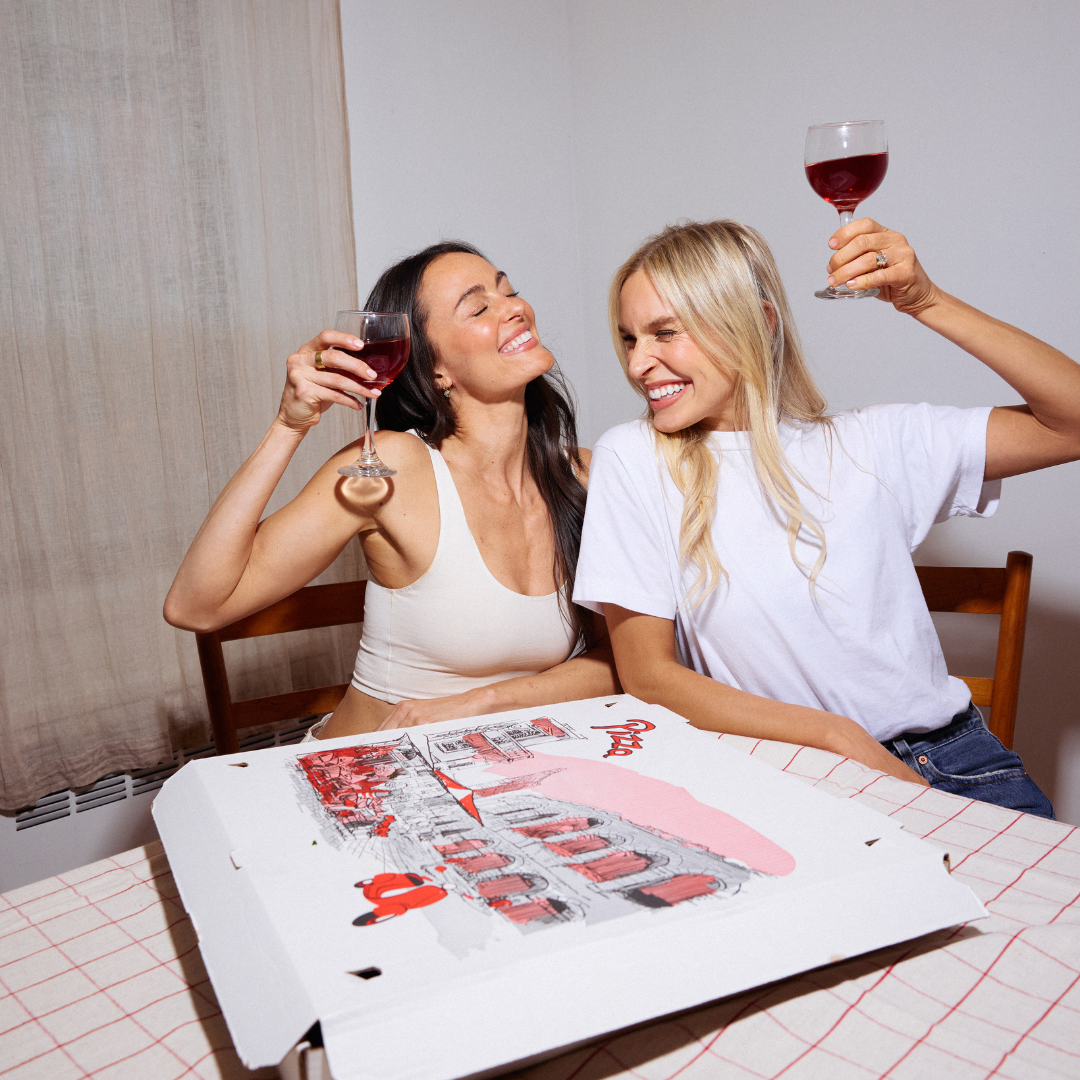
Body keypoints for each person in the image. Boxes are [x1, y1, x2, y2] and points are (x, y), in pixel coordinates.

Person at [573, 218, 1080, 817]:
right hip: (797, 771)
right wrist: (839, 737)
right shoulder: (633, 459)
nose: (638, 364)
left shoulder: (869, 443)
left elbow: (1069, 422)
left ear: (757, 324)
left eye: (665, 333)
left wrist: (926, 301)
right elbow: (650, 676)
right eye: (630, 339)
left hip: (960, 764)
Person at [164, 242, 617, 736]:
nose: (515, 308)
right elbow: (196, 606)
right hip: (369, 773)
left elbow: (620, 660)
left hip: (492, 769)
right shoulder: (395, 466)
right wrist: (288, 426)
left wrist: (485, 702)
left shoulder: (584, 477)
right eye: (479, 306)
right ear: (435, 368)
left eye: (508, 291)